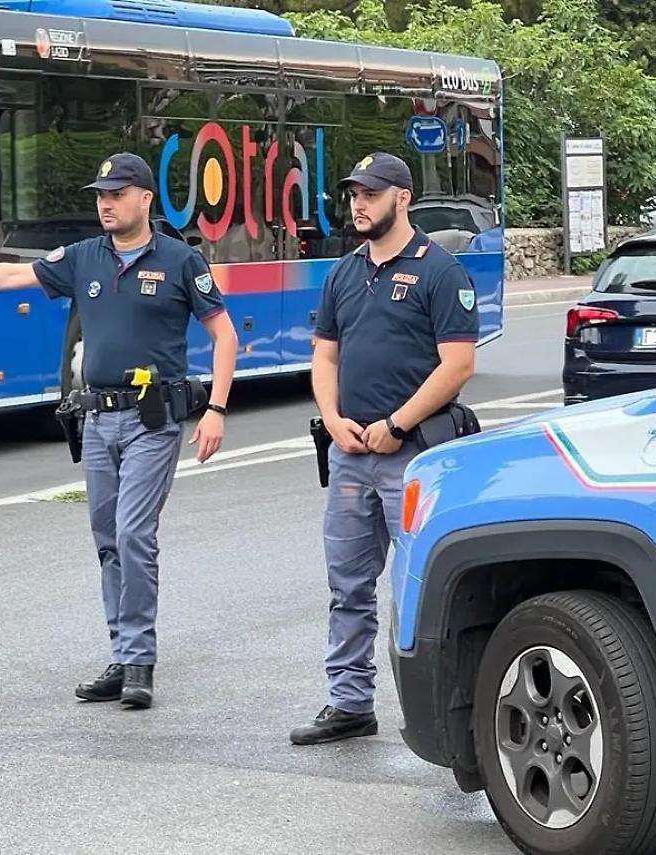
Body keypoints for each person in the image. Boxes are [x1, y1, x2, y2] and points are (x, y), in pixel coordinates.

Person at [0, 152, 238, 710]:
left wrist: (217, 409)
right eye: (101, 195)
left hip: (152, 421)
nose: (106, 204)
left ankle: (139, 662)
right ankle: (121, 655)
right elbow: (9, 274)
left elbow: (224, 335)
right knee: (108, 539)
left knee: (134, 533)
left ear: (145, 199)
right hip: (97, 419)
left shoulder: (180, 260)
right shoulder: (82, 257)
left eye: (117, 194)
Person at [290, 152, 477, 745]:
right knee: (347, 585)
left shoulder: (439, 271)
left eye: (370, 194)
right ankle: (349, 702)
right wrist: (333, 420)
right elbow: (325, 355)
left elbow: (457, 365)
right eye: (354, 195)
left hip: (413, 455)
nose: (358, 205)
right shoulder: (343, 273)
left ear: (402, 198)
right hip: (350, 454)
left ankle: (447, 716)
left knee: (426, 586)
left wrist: (397, 423)